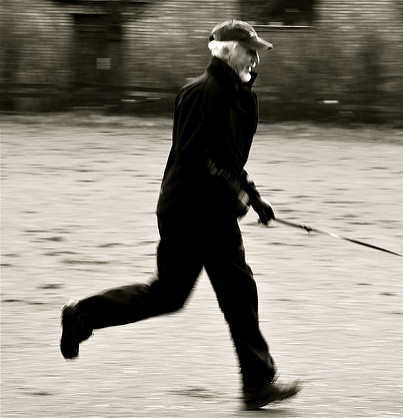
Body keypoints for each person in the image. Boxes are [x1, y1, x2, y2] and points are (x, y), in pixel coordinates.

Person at [60, 19, 301, 410]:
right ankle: (82, 316)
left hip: (217, 213)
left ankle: (257, 384)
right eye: (248, 47)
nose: (255, 55)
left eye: (257, 49)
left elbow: (230, 161)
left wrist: (254, 198)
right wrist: (236, 193)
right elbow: (194, 156)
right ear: (224, 50)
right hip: (187, 212)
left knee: (239, 294)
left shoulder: (244, 98)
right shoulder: (200, 93)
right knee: (168, 296)